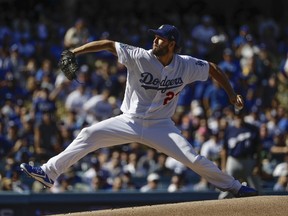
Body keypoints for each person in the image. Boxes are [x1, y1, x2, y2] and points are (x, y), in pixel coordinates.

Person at [20, 24, 258, 197]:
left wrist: (231, 95)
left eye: (161, 38)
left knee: (194, 159)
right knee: (88, 134)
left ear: (172, 44)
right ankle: (48, 172)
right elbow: (107, 45)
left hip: (161, 126)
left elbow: (213, 68)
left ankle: (235, 187)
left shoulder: (185, 65)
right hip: (129, 121)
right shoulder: (139, 56)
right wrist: (75, 51)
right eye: (155, 37)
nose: (155, 40)